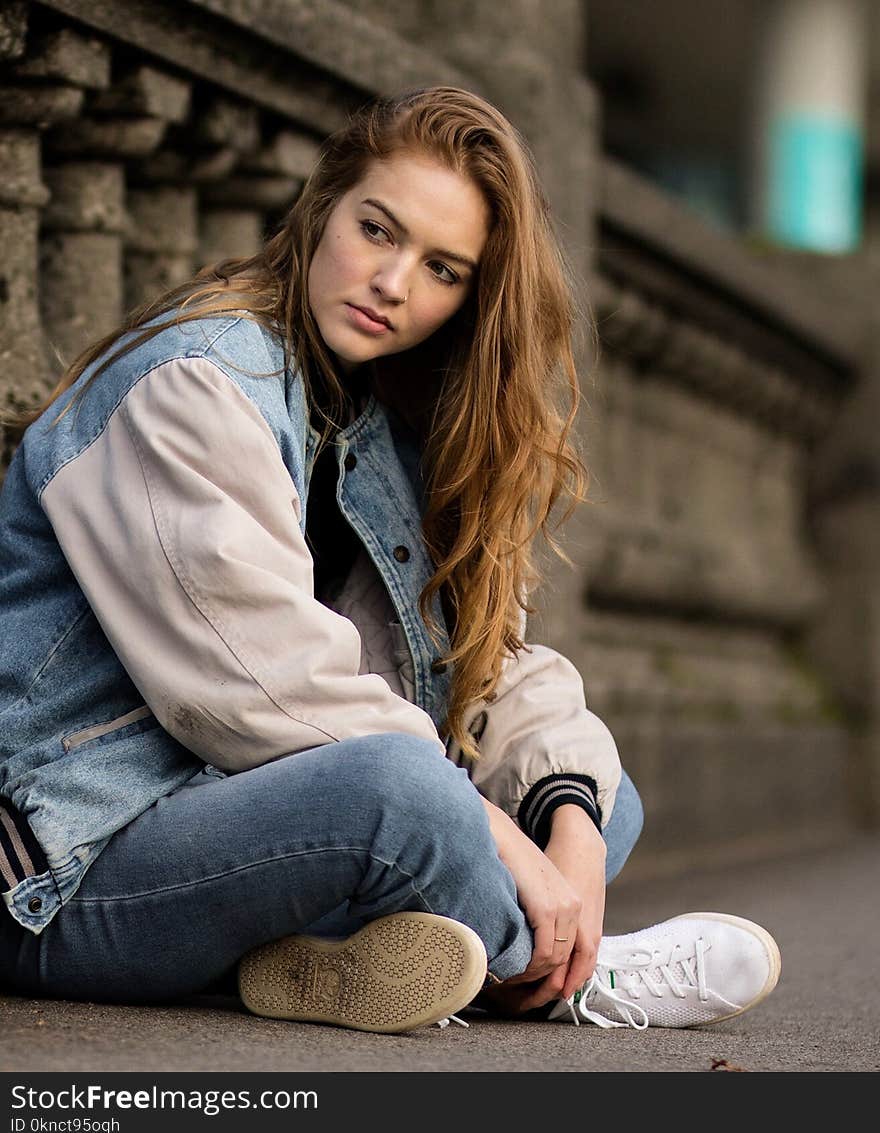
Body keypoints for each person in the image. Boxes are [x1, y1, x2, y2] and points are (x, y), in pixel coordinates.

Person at [0, 86, 780, 1035]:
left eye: (442, 269)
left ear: (469, 300)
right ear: (321, 206)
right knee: (409, 798)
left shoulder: (385, 425)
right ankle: (578, 978)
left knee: (595, 805)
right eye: (378, 230)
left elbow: (490, 672)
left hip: (228, 827)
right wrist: (502, 850)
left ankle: (323, 962)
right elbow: (265, 694)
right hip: (67, 865)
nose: (394, 283)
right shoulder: (193, 385)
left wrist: (561, 832)